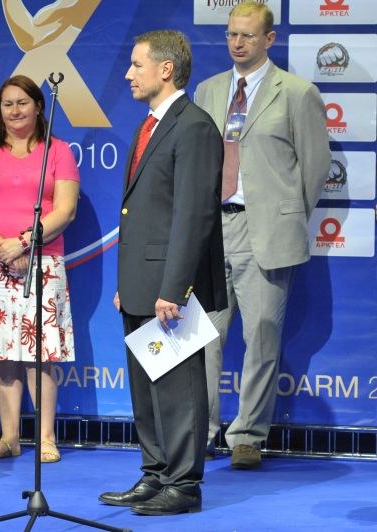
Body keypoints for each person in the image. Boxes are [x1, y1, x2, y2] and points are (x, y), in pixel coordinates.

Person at [194, 1, 330, 469]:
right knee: (203, 338)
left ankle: (248, 434)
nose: (237, 43)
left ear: (269, 40)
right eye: (232, 34)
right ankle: (202, 429)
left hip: (266, 229)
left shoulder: (297, 92)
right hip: (214, 230)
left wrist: (282, 213)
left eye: (247, 36)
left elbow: (313, 171)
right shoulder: (209, 91)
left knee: (262, 336)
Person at [97, 30, 225, 516]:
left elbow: (193, 215)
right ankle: (154, 475)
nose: (128, 73)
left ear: (165, 69)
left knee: (177, 388)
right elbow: (142, 213)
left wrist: (174, 288)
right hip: (140, 283)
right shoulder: (149, 125)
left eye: (136, 64)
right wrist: (127, 283)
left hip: (170, 287)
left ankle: (184, 485)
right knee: (146, 386)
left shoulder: (193, 126)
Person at [0, 74, 79, 464]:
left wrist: (25, 241)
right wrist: (3, 248)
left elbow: (65, 210)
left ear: (39, 106)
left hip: (42, 262)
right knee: (2, 354)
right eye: (7, 104)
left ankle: (45, 438)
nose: (14, 111)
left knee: (38, 354)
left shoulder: (58, 151)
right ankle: (9, 438)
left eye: (22, 103)